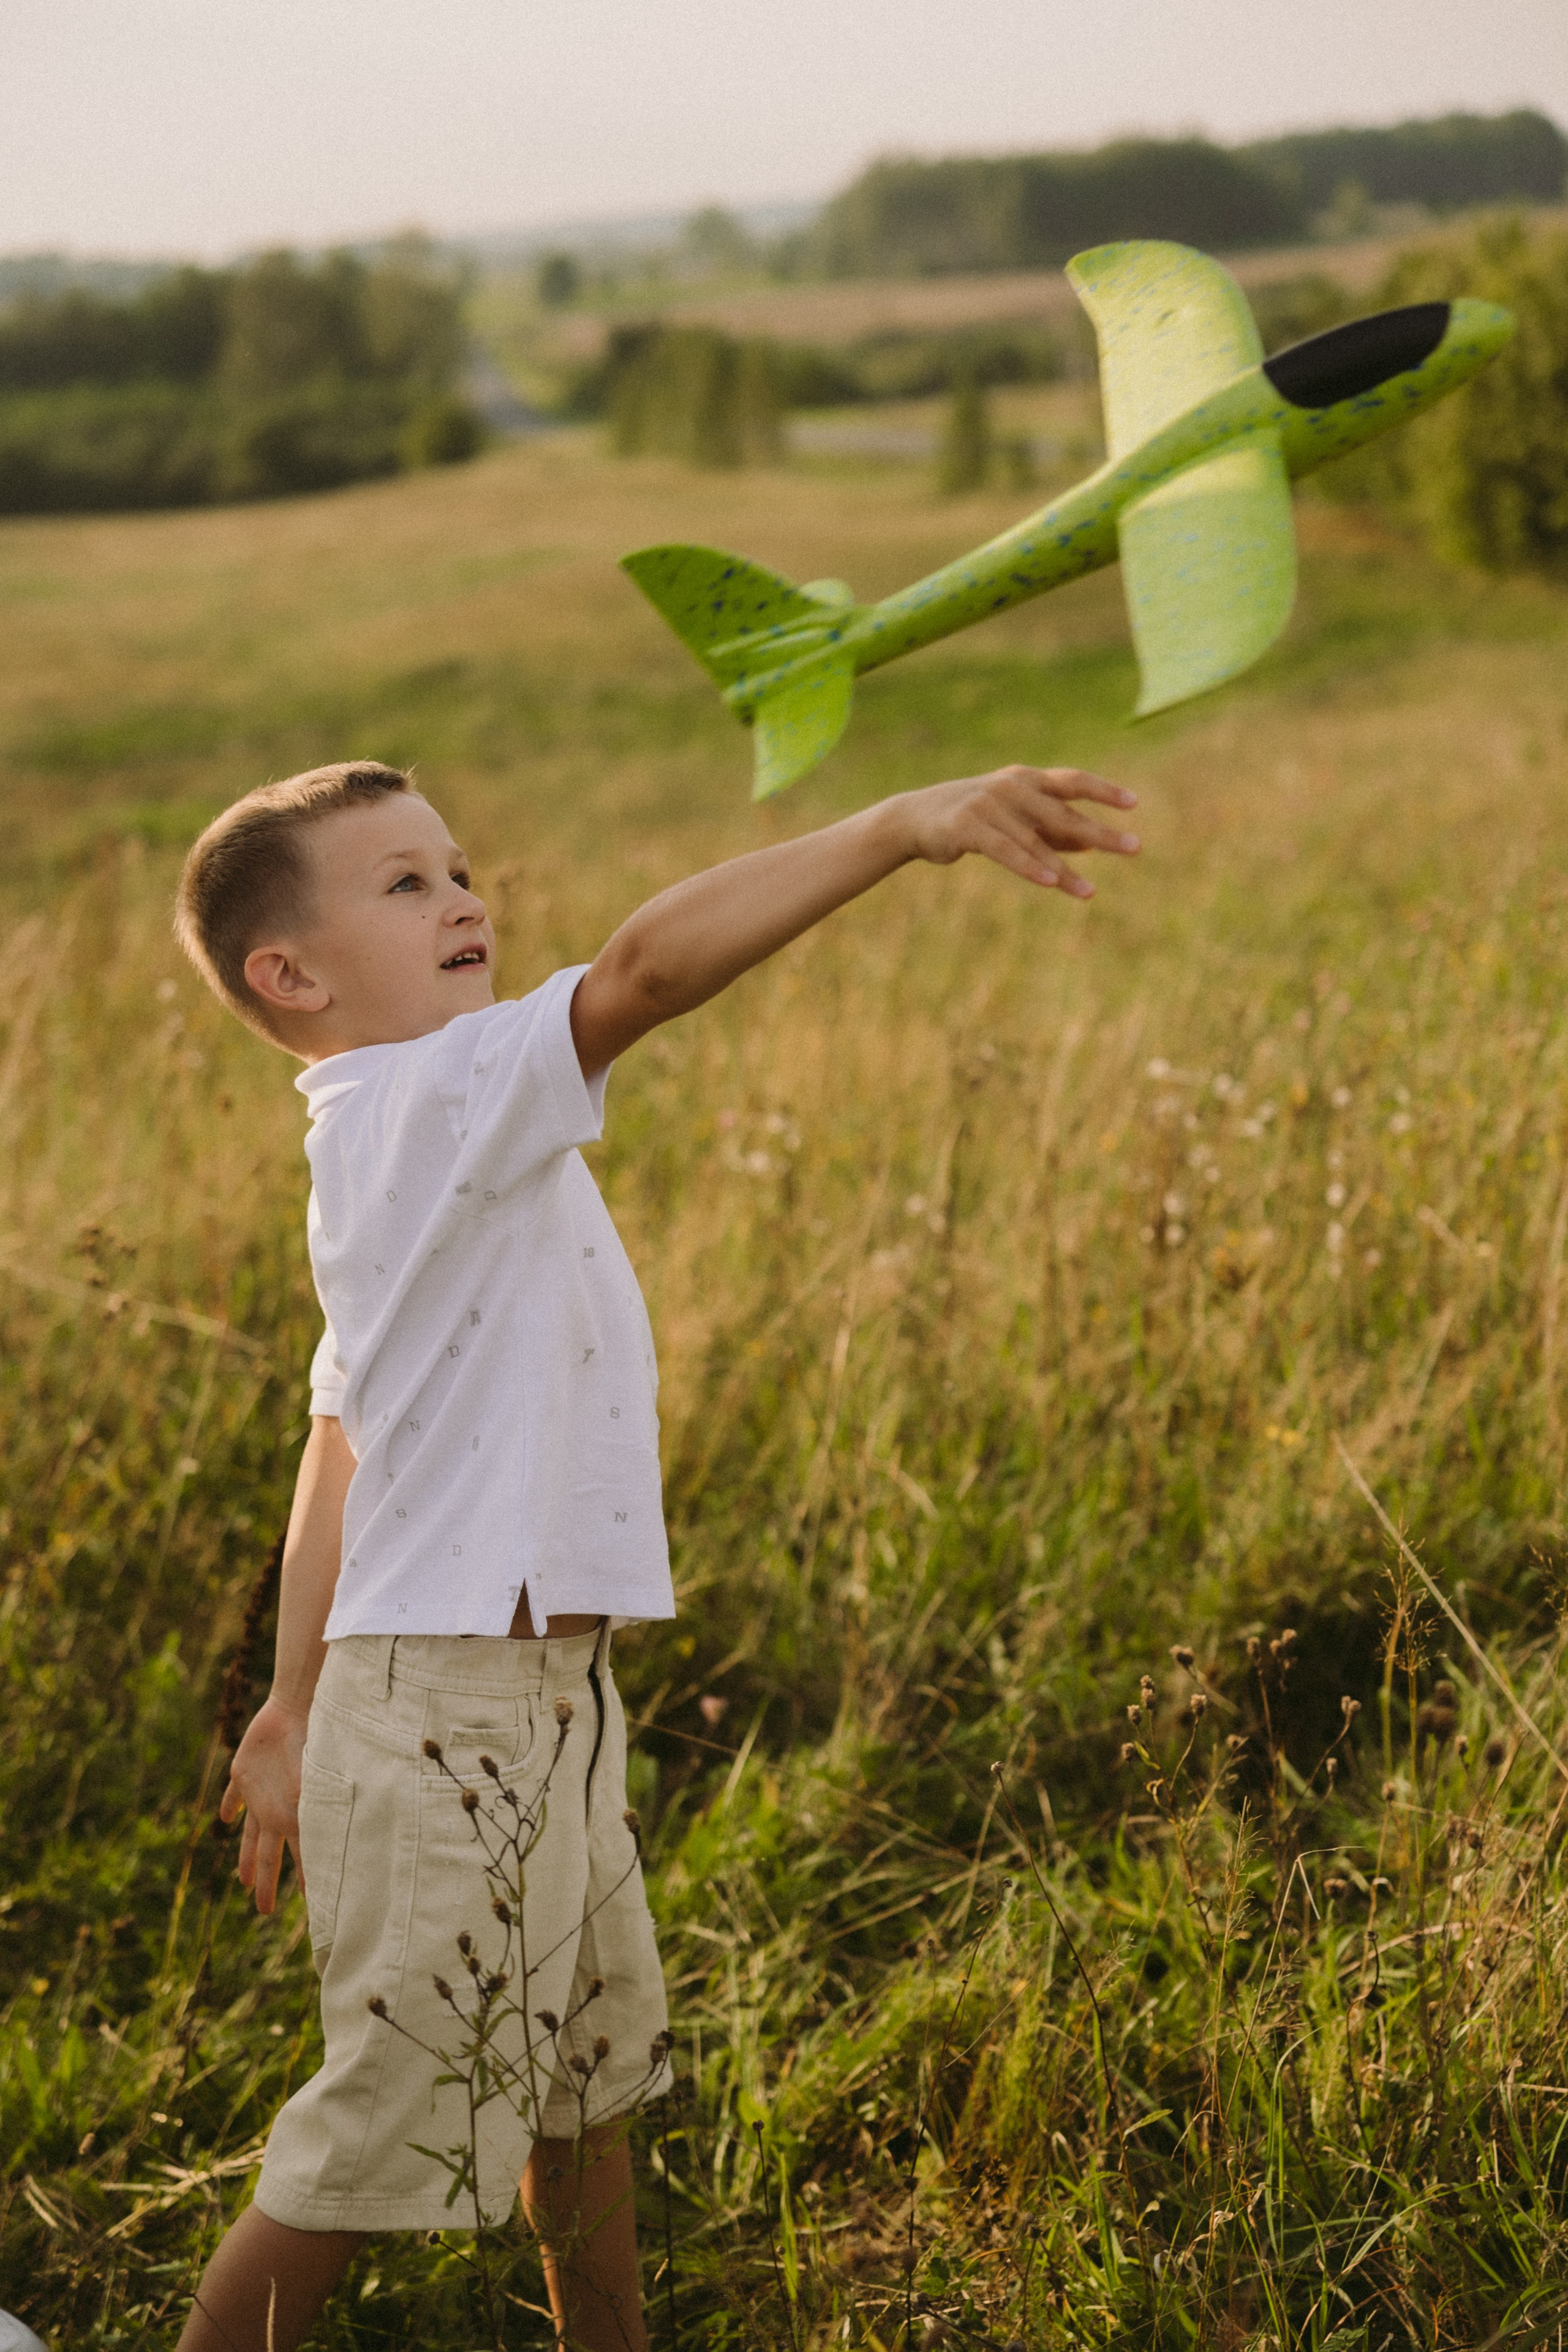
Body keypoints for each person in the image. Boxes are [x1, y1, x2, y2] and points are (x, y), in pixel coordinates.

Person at [172, 754, 1139, 2352]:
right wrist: (900, 826)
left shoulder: (407, 1144)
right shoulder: (428, 1096)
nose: (464, 899)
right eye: (405, 884)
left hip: (541, 1694)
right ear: (294, 978)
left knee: (582, 2081)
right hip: (453, 1710)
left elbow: (340, 1442)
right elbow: (641, 973)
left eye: (460, 869)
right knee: (377, 2131)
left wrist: (288, 1701)